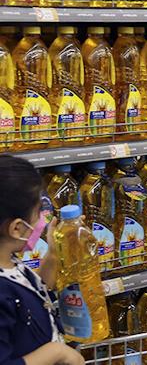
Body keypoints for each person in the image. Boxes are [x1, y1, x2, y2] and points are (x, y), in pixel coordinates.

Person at [0, 156, 84, 365]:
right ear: (16, 228)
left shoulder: (8, 262)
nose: (43, 220)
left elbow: (33, 292)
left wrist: (54, 254)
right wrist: (57, 352)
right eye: (38, 212)